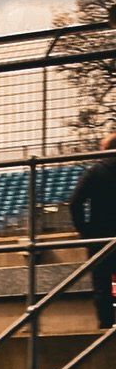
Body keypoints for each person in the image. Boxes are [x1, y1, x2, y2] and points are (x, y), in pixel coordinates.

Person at [68, 132, 116, 333]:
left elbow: (75, 203)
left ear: (105, 151)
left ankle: (106, 325)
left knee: (102, 282)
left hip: (101, 236)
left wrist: (85, 231)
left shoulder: (95, 172)